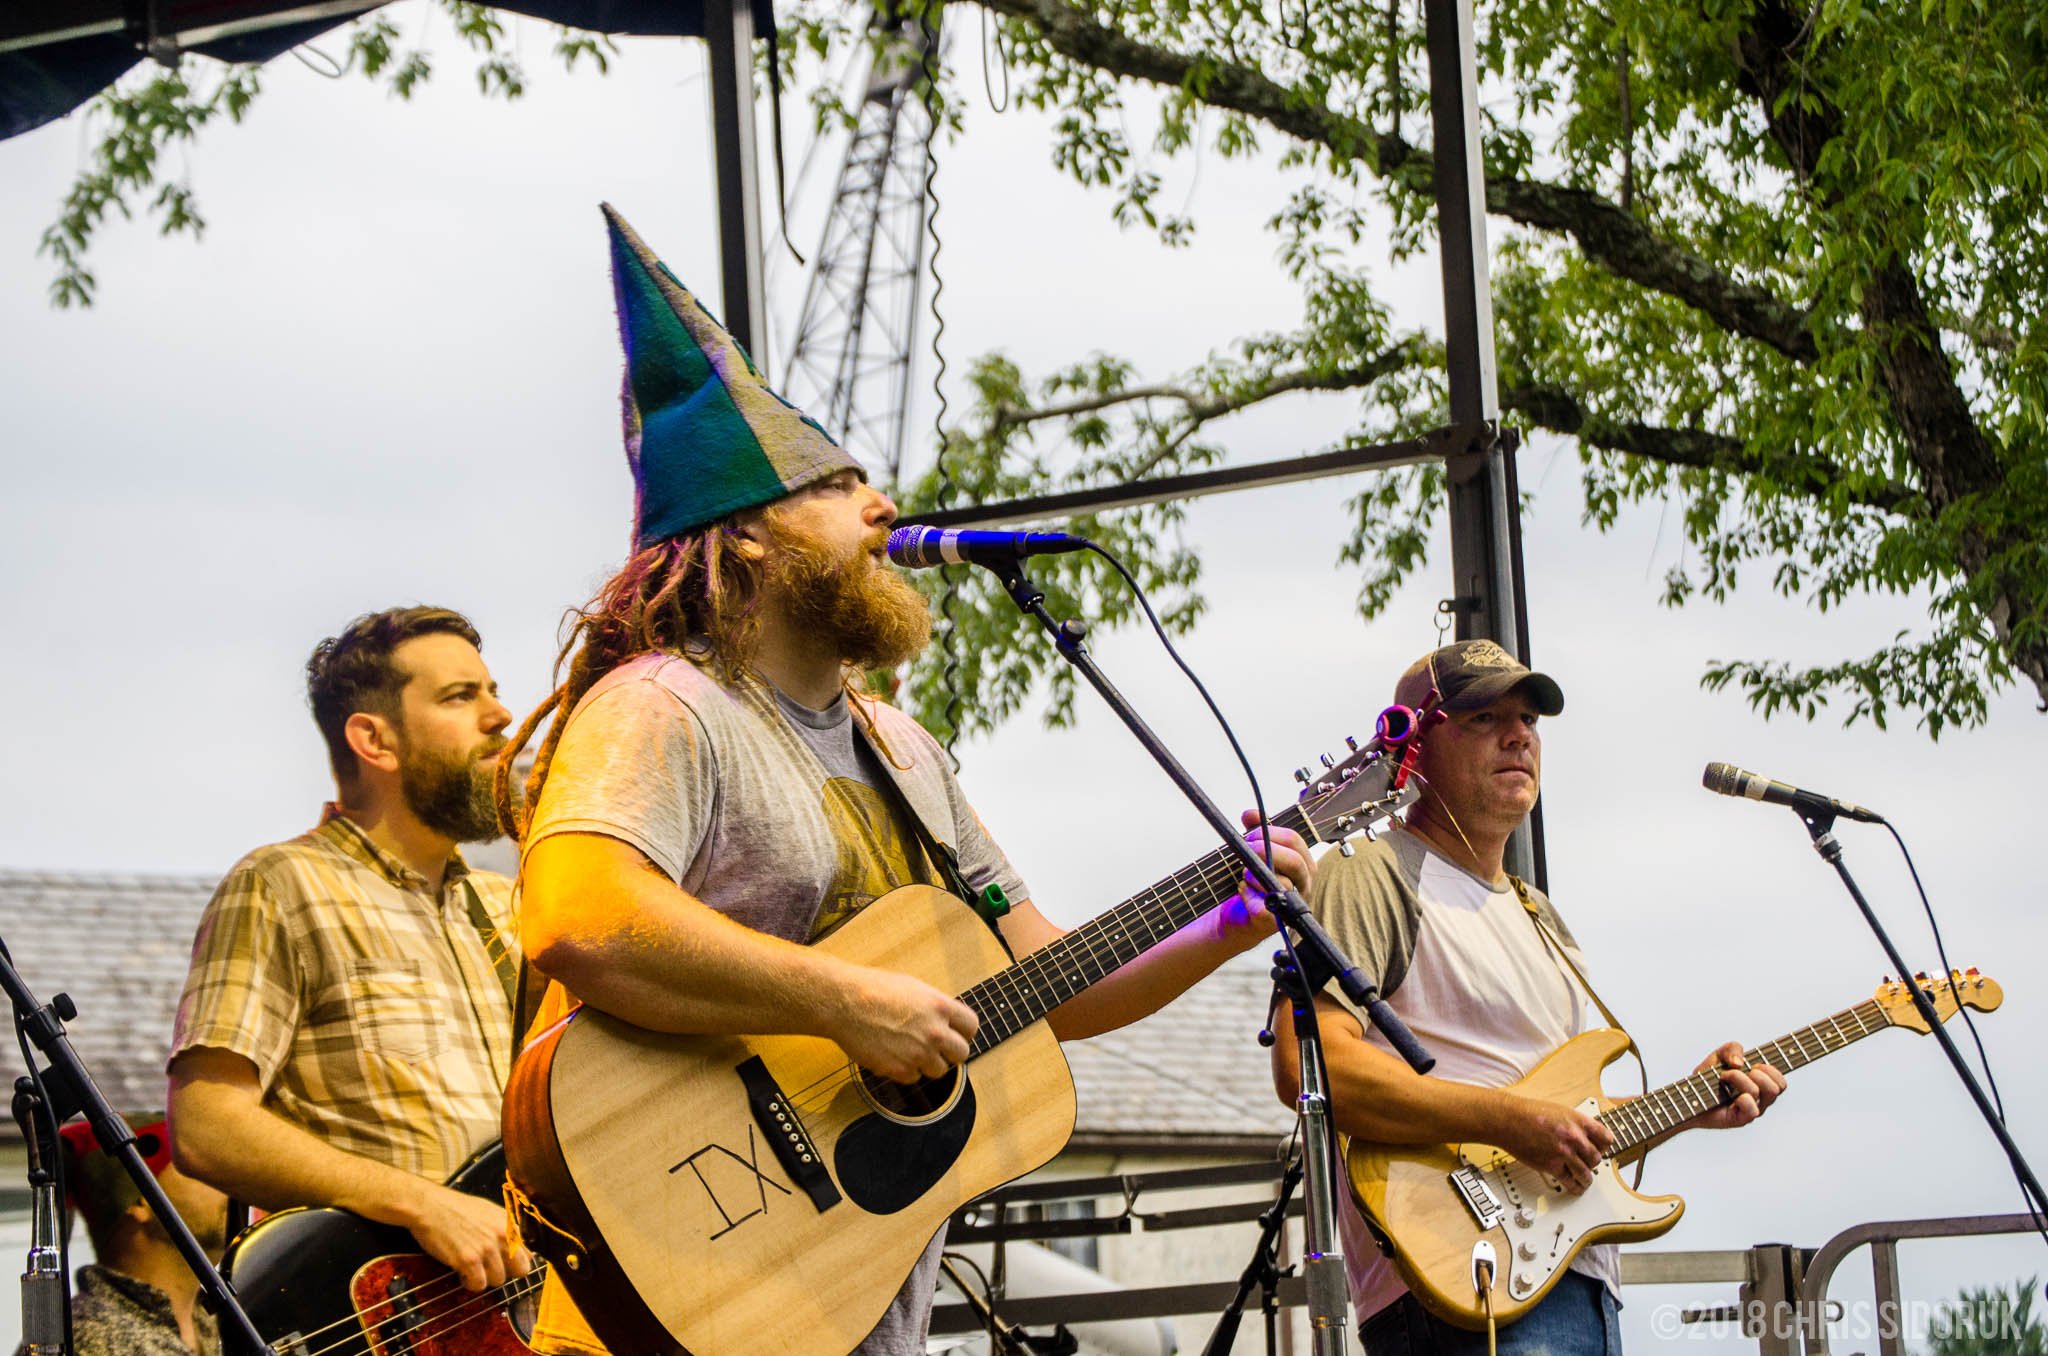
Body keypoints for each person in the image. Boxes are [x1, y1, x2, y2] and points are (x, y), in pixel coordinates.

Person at [499, 204, 1312, 1356]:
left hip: (841, 1303)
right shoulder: (664, 706)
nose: (883, 506)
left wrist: (1225, 922)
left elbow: (1048, 985)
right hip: (683, 1282)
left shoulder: (904, 751)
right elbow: (576, 918)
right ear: (745, 539)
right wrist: (843, 1003)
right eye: (834, 486)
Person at [1270, 639, 1787, 1355]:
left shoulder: (1544, 919)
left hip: (1579, 1287)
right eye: (1484, 717)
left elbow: (1560, 1128)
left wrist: (1692, 1106)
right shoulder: (1375, 873)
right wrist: (1513, 1123)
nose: (1518, 735)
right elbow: (1314, 1069)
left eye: (1528, 719)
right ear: (1413, 747)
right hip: (1463, 1288)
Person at [166, 606, 533, 1298]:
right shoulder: (281, 885)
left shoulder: (508, 909)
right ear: (375, 739)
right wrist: (420, 1204)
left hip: (520, 1314)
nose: (502, 716)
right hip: (390, 1316)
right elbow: (208, 1125)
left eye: (492, 690)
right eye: (462, 697)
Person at [12, 1119, 228, 1356]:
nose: (226, 1181)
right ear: (141, 1200)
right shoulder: (87, 1342)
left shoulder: (216, 1320)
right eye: (192, 1168)